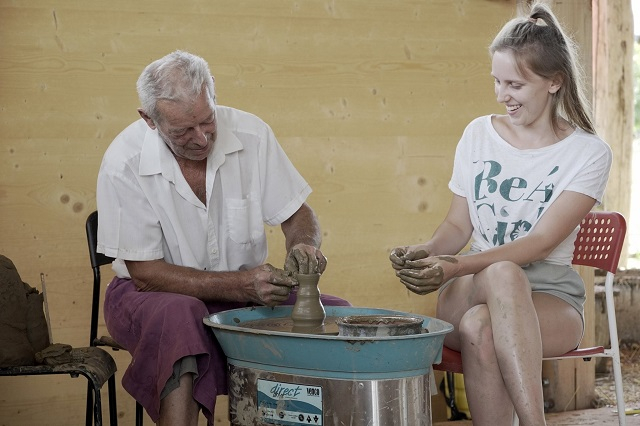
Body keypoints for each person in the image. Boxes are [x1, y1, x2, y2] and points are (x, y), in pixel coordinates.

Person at [96, 50, 349, 426]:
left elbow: (298, 213)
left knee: (337, 315)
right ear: (149, 119)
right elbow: (146, 273)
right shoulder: (124, 162)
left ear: (214, 94)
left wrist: (303, 244)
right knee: (181, 315)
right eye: (183, 131)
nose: (201, 139)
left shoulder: (252, 134)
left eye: (207, 121)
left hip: (242, 294)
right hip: (147, 295)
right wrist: (241, 286)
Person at [389, 3, 612, 425]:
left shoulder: (589, 152)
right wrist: (426, 251)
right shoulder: (478, 134)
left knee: (481, 326)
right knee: (500, 275)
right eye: (496, 81)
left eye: (514, 84)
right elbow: (458, 225)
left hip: (551, 297)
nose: (501, 95)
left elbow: (540, 243)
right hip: (468, 286)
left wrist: (454, 264)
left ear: (554, 82)